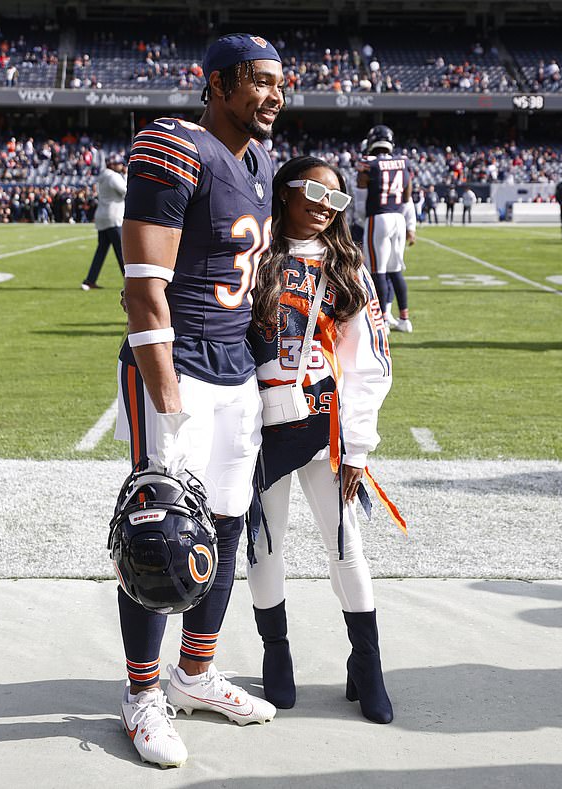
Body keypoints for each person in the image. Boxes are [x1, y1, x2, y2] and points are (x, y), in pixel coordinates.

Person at [114, 33, 284, 768]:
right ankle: (141, 692)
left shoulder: (263, 161)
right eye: (260, 81)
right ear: (216, 84)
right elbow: (144, 287)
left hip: (234, 365)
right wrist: (168, 401)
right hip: (176, 363)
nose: (275, 94)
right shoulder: (172, 143)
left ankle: (194, 673)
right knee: (158, 526)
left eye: (282, 82)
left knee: (224, 522)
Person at [246, 155, 394, 724]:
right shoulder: (253, 253)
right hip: (257, 427)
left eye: (334, 200)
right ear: (284, 189)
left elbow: (369, 362)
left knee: (345, 545)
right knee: (266, 544)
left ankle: (368, 664)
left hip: (322, 422)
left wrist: (357, 445)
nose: (321, 206)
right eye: (311, 191)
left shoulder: (346, 265)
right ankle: (276, 654)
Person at [358, 124, 413, 330]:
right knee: (396, 270)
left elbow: (362, 199)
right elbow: (407, 198)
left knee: (377, 271)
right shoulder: (404, 162)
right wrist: (410, 225)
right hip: (398, 217)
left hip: (378, 217)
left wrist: (360, 219)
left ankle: (381, 320)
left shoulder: (368, 164)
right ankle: (404, 319)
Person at [81, 155, 126, 290]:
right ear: (112, 164)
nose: (121, 166)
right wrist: (126, 176)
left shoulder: (103, 176)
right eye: (118, 163)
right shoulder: (113, 177)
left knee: (101, 251)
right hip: (114, 217)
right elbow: (126, 191)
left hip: (103, 216)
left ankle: (90, 280)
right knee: (121, 251)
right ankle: (130, 281)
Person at [384, 197, 415, 332]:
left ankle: (384, 317)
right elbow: (408, 203)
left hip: (376, 220)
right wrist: (410, 226)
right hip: (398, 222)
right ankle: (401, 317)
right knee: (393, 272)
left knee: (378, 273)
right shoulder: (403, 177)